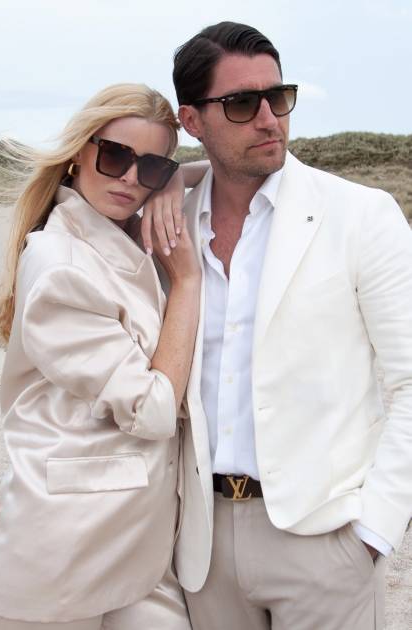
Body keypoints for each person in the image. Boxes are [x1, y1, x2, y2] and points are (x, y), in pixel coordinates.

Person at [162, 21, 412, 630]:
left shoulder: (361, 215)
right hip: (202, 545)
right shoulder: (168, 227)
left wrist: (375, 531)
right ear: (192, 120)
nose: (269, 119)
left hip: (325, 542)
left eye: (278, 97)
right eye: (242, 104)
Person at [0, 82, 204, 628]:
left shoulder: (118, 235)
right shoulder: (62, 266)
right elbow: (152, 410)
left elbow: (220, 173)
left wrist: (174, 179)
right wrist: (187, 283)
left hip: (138, 544)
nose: (131, 178)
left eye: (151, 166)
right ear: (78, 154)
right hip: (63, 550)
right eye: (115, 156)